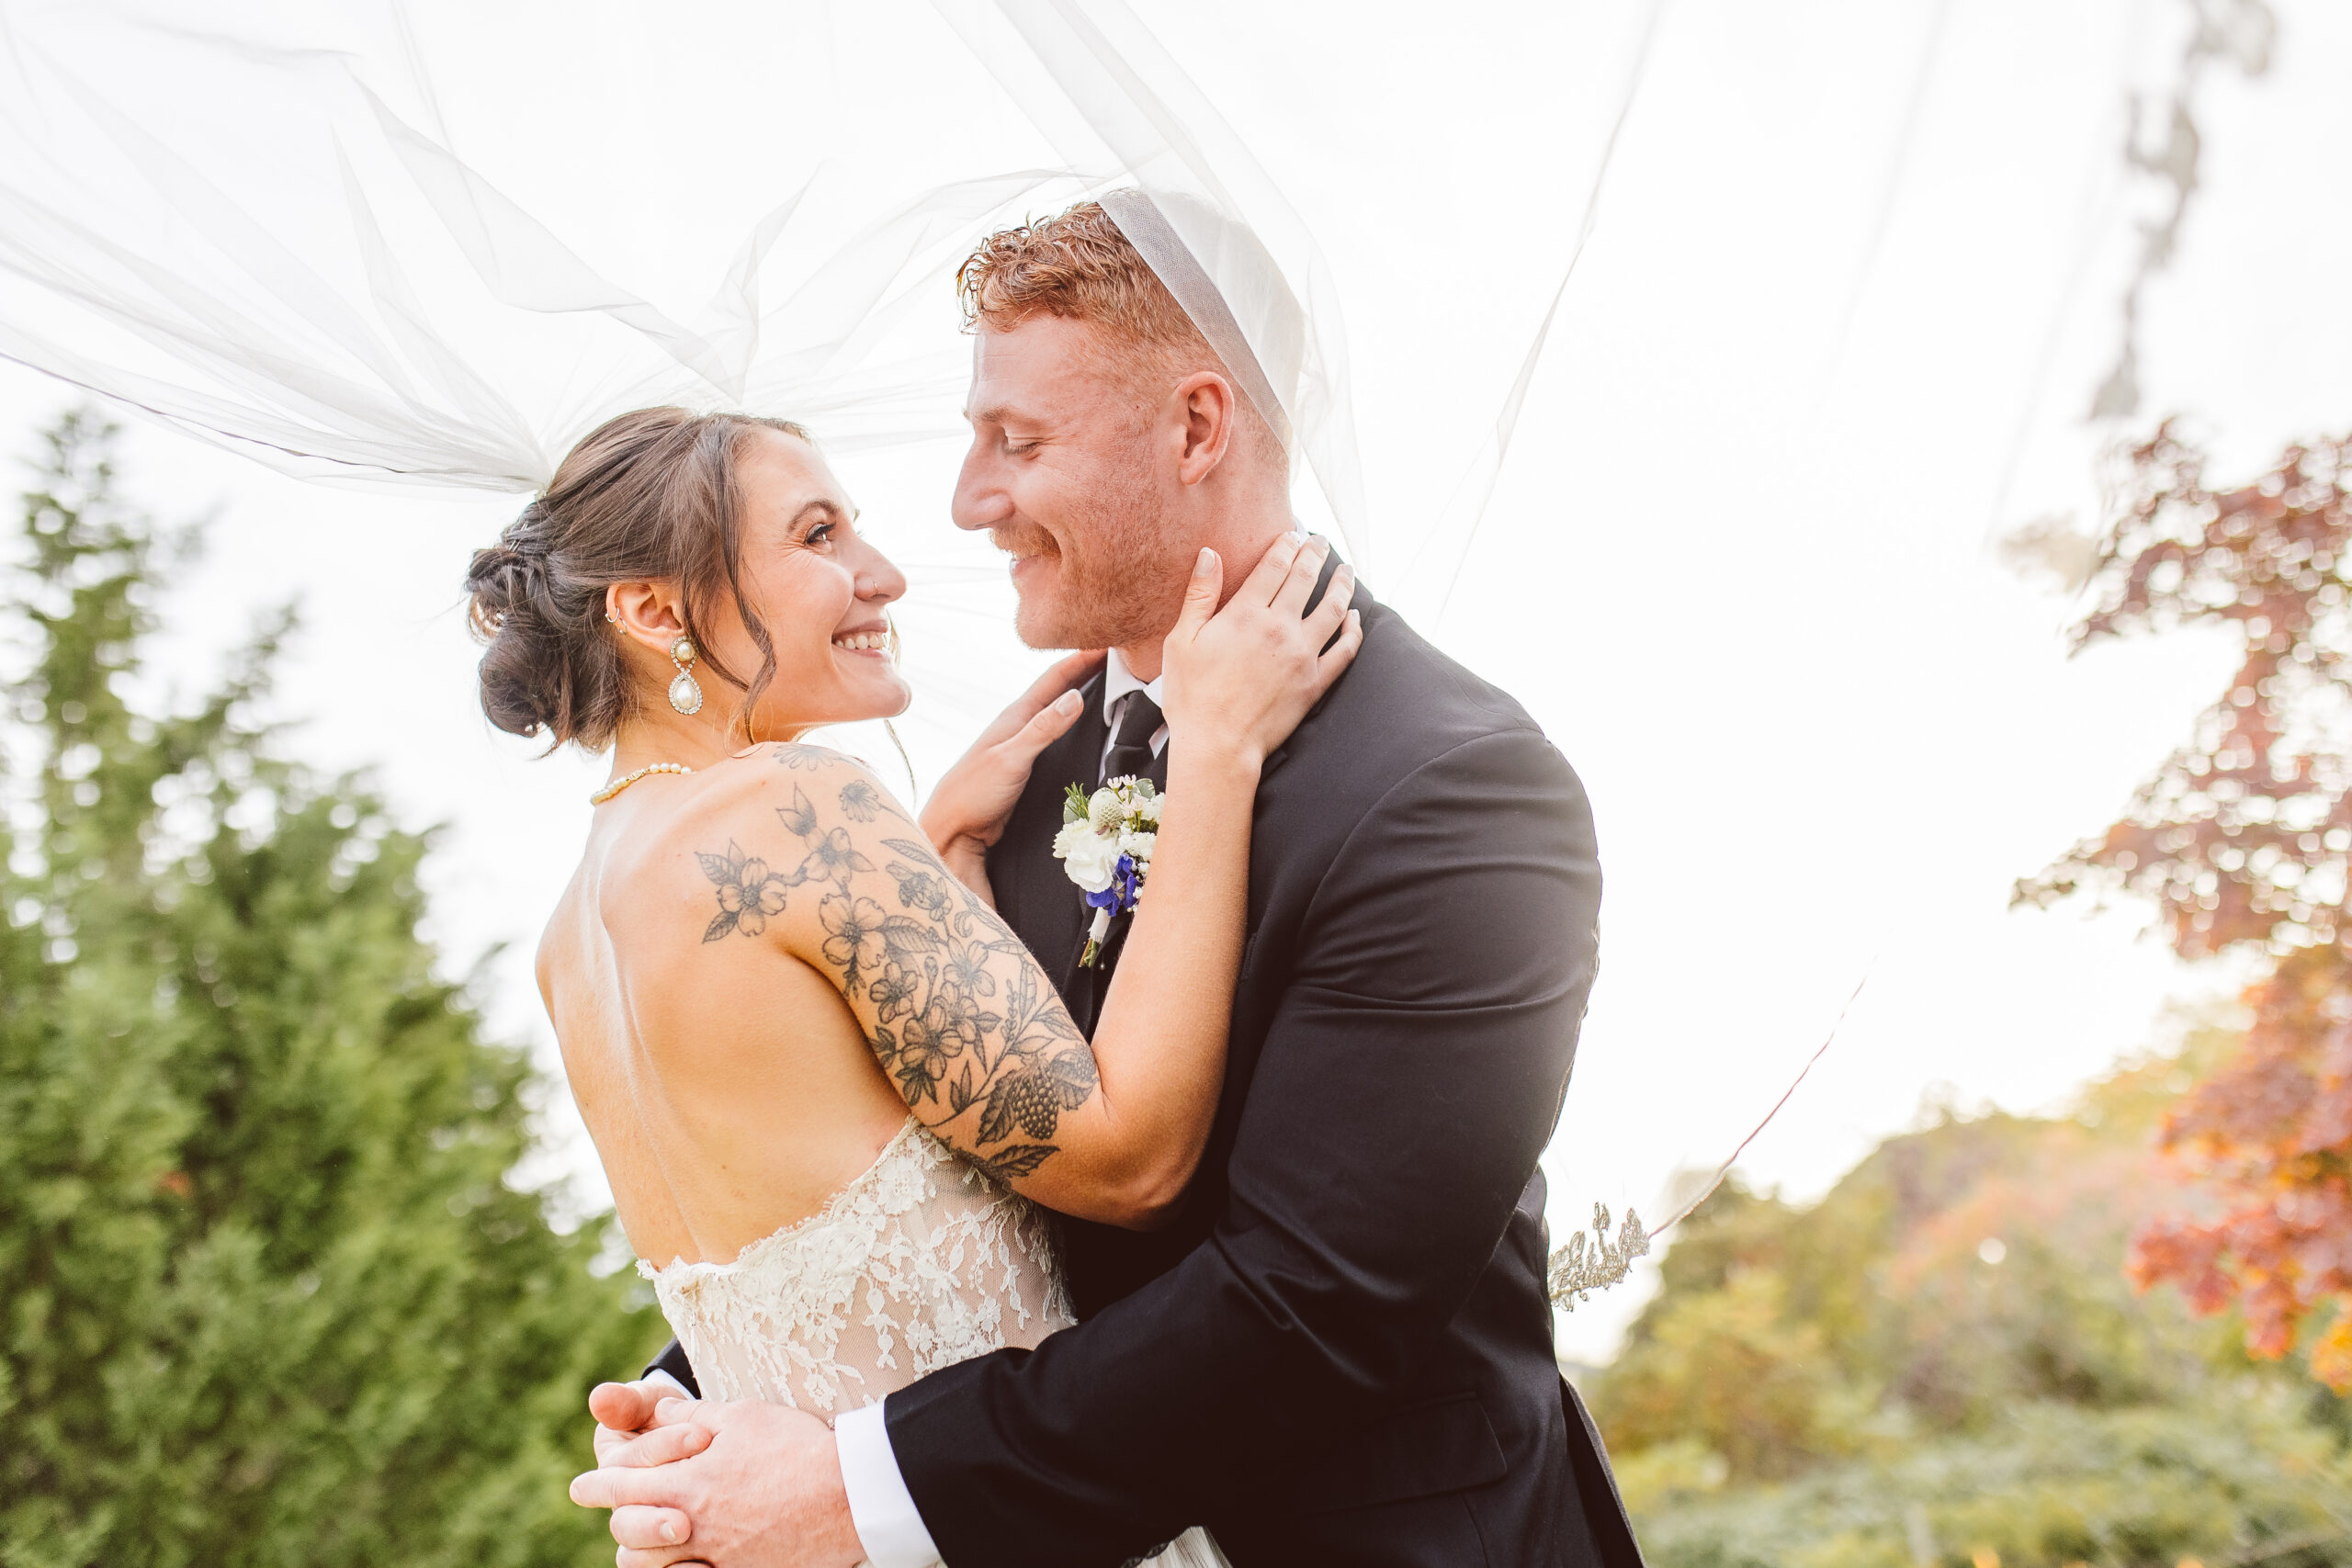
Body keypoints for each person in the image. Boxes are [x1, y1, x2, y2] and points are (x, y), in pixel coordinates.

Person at [574, 202, 1640, 1568]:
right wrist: (711, 1385)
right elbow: (942, 1169)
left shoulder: (1455, 786)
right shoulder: (1029, 760)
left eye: (1017, 443)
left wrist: (849, 1484)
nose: (969, 501)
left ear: (1198, 428)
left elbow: (1312, 1303)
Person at [471, 400, 1358, 1568]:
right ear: (651, 610)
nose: (879, 574)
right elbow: (1128, 1158)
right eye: (817, 535)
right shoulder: (793, 806)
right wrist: (1219, 751)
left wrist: (936, 855)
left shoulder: (570, 938)